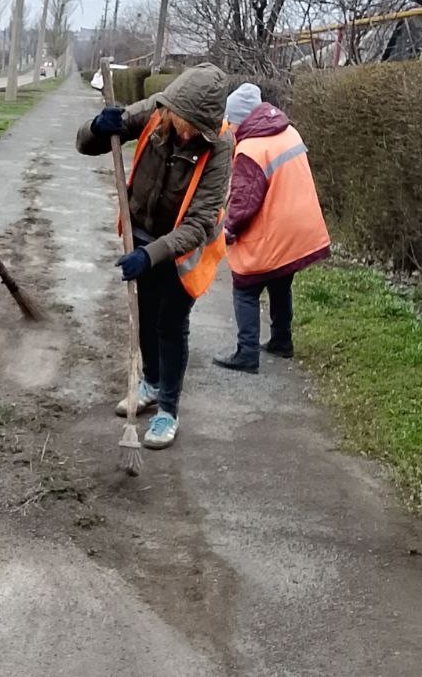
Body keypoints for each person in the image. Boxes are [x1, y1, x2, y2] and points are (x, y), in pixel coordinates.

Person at [76, 63, 231, 449]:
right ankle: (151, 382)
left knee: (170, 324)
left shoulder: (220, 148)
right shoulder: (157, 111)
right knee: (144, 314)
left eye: (196, 127)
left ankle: (168, 410)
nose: (187, 131)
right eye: (184, 121)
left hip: (183, 253)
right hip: (141, 233)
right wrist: (98, 127)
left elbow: (199, 224)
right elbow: (87, 143)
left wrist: (151, 256)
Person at [213, 100, 330, 373]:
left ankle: (247, 354)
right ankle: (281, 341)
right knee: (280, 281)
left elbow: (244, 204)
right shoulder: (288, 131)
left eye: (229, 123)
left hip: (276, 229)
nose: (228, 129)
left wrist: (228, 232)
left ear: (239, 121)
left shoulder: (251, 148)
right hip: (300, 228)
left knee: (245, 285)